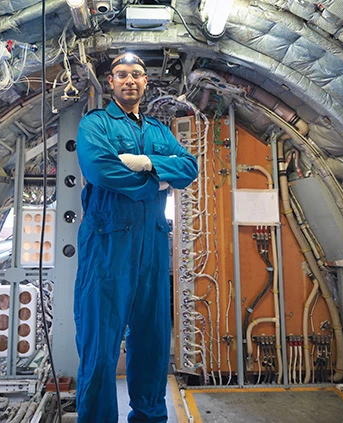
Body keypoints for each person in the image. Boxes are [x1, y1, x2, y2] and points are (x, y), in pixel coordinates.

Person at [74, 52, 198, 423]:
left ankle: (149, 417)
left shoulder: (159, 131)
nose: (130, 80)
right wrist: (158, 179)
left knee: (153, 345)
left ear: (146, 83)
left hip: (153, 251)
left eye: (137, 75)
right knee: (99, 348)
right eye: (122, 74)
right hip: (108, 251)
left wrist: (143, 162)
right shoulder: (95, 125)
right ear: (111, 82)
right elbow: (100, 169)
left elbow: (189, 167)